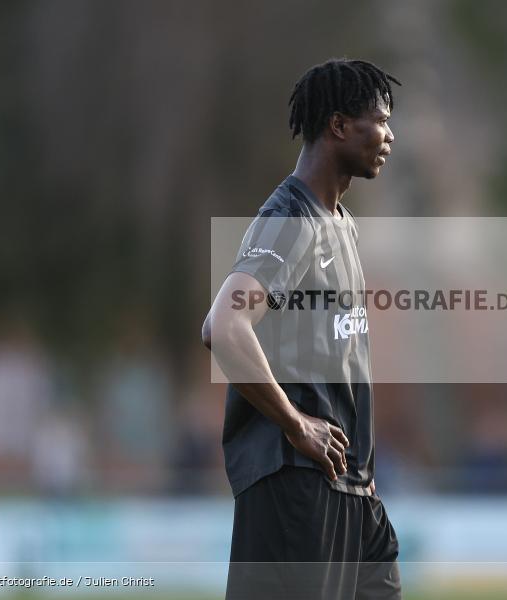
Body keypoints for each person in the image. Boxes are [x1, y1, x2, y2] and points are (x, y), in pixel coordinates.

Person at [203, 59, 402, 600]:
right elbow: (224, 326)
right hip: (296, 488)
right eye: (379, 121)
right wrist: (295, 424)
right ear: (338, 126)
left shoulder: (341, 224)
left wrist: (360, 465)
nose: (389, 135)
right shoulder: (289, 219)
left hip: (351, 492)